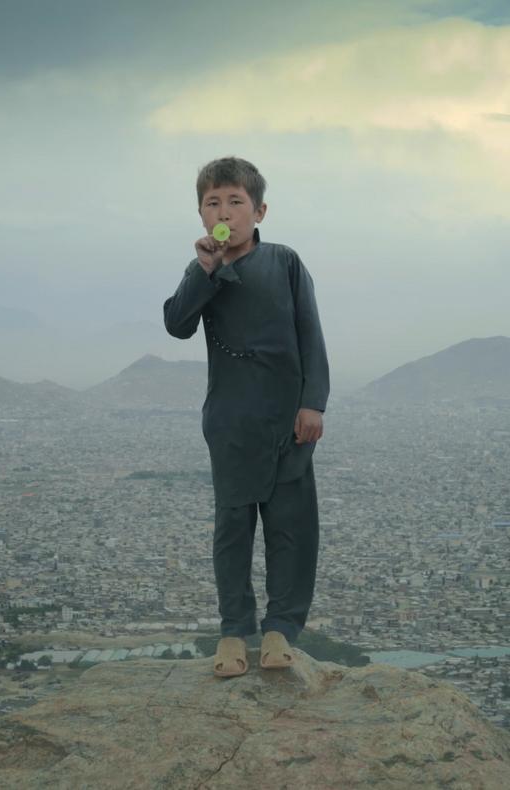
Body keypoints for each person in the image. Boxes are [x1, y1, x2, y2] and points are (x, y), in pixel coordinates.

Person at [163, 156, 329, 677]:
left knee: (291, 527)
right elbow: (176, 324)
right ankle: (234, 633)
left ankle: (281, 630)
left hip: (288, 420)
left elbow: (311, 335)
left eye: (236, 202)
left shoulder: (285, 262)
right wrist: (204, 269)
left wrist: (313, 403)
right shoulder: (208, 271)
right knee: (233, 527)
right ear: (200, 213)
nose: (225, 211)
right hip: (231, 421)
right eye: (213, 202)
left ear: (259, 210)